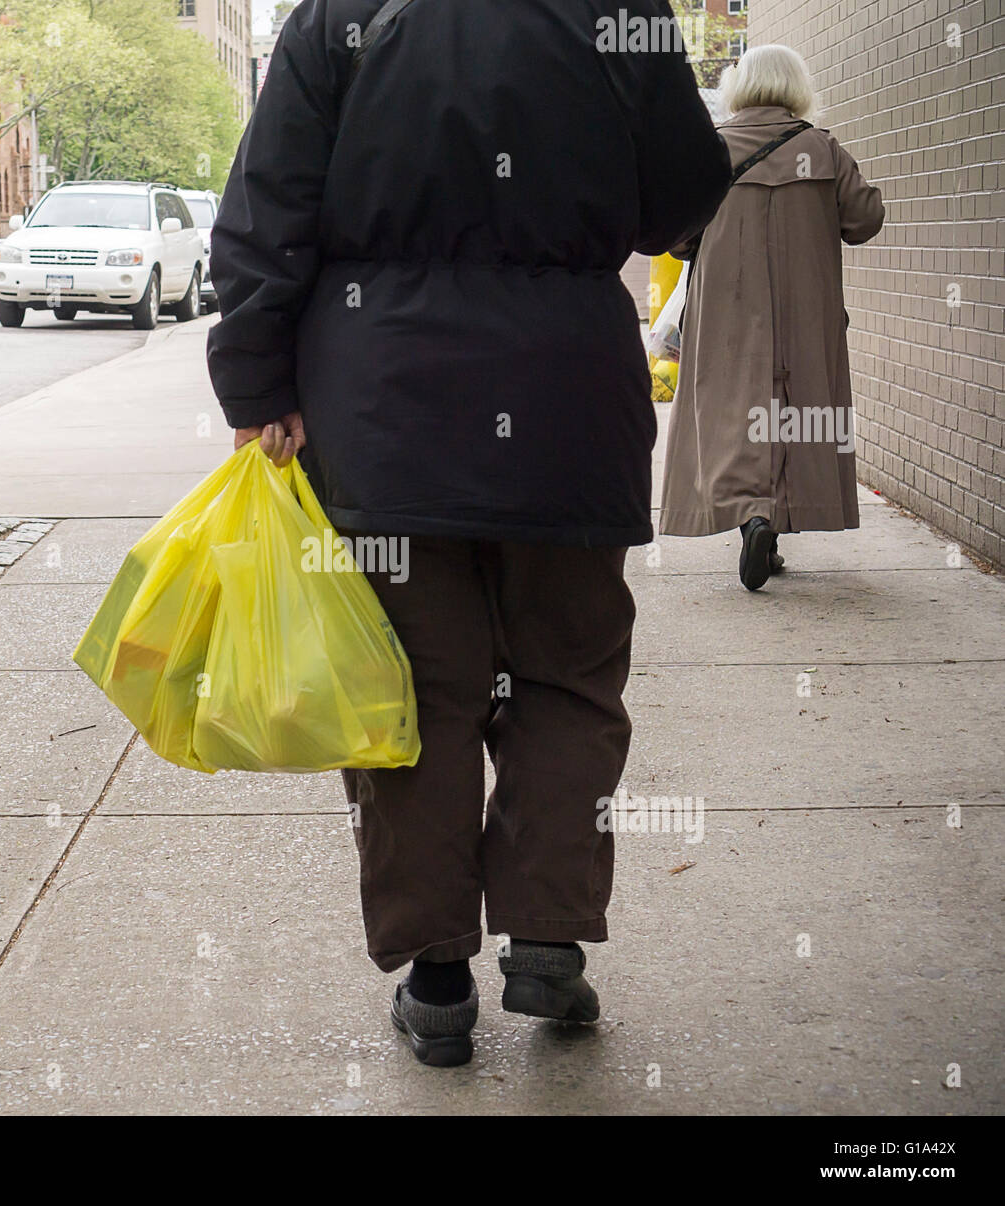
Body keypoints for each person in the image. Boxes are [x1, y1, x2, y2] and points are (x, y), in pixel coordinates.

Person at [207, 0, 730, 1066]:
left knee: (409, 692)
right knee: (568, 679)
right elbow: (684, 191)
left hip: (385, 410)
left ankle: (436, 979)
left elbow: (267, 207)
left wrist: (257, 378)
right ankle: (544, 938)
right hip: (567, 404)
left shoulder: (337, 18)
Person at [659, 44, 885, 589]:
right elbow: (866, 219)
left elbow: (674, 235)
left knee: (733, 405)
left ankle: (753, 517)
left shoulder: (711, 151)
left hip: (727, 309)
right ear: (794, 87)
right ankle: (773, 520)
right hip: (806, 308)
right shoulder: (822, 150)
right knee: (795, 404)